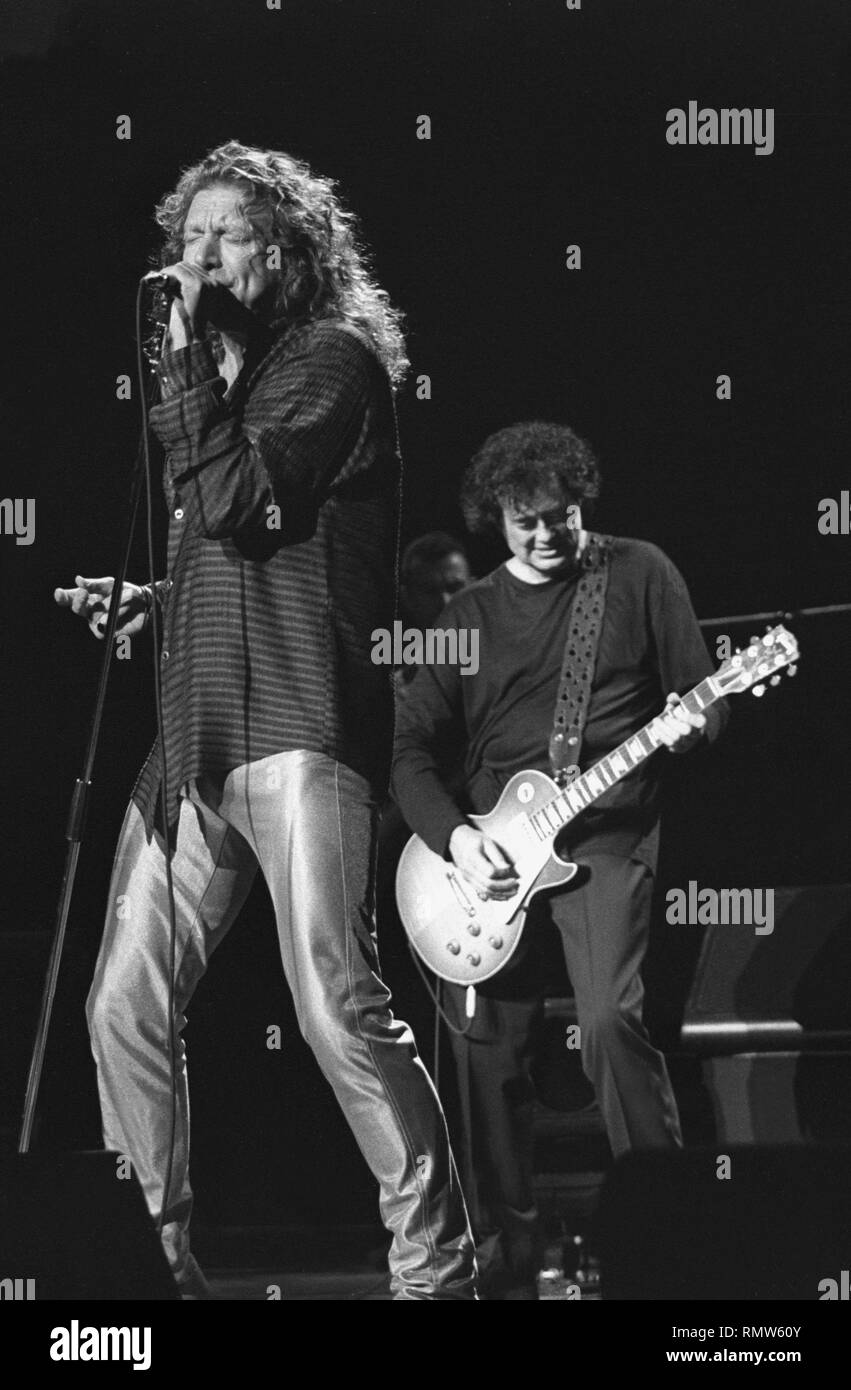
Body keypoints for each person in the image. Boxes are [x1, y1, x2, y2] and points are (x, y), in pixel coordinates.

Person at [54, 140, 475, 1301]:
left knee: (337, 1008)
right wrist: (156, 596)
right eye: (184, 236)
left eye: (223, 235)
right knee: (121, 1001)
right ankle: (156, 1274)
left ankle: (435, 1270)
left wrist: (183, 371)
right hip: (195, 736)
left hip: (297, 727)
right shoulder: (222, 396)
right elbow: (236, 545)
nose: (194, 258)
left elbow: (243, 500)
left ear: (284, 252)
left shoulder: (331, 364)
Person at [391, 420, 729, 1298]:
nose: (544, 536)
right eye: (522, 522)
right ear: (493, 519)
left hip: (607, 835)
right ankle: (509, 1247)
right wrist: (457, 839)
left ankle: (666, 1233)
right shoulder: (463, 618)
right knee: (481, 1050)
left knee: (612, 1023)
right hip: (488, 859)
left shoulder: (640, 572)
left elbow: (702, 696)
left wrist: (696, 722)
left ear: (582, 506)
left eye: (559, 518)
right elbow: (407, 754)